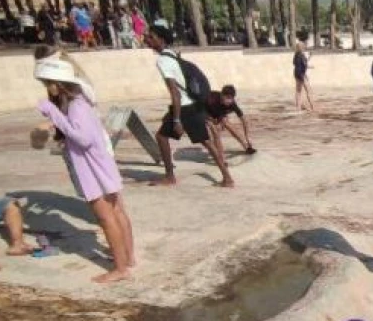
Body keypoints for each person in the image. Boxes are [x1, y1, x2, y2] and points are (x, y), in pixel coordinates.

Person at [33, 57, 135, 283]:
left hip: (92, 167)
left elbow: (83, 138)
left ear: (57, 84)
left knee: (107, 217)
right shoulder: (81, 99)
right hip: (101, 163)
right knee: (117, 211)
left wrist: (53, 112)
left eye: (47, 83)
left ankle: (120, 268)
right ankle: (128, 259)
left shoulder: (76, 105)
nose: (47, 88)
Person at [146, 24, 234, 188]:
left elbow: (175, 93)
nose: (147, 39)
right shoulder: (172, 55)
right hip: (193, 105)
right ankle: (227, 177)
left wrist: (177, 120)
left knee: (161, 137)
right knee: (206, 142)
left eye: (151, 37)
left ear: (161, 39)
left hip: (183, 108)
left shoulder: (163, 60)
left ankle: (170, 176)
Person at [204, 85, 256, 155]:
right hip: (205, 111)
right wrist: (211, 120)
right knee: (215, 130)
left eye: (231, 98)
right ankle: (220, 155)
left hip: (219, 112)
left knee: (226, 123)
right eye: (228, 98)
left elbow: (244, 120)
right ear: (222, 95)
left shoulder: (232, 104)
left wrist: (247, 137)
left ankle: (246, 147)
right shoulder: (212, 99)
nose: (229, 101)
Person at [293, 42, 314, 112]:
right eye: (304, 47)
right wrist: (311, 67)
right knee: (309, 91)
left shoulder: (296, 55)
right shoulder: (302, 55)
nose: (304, 48)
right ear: (302, 47)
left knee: (298, 92)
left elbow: (296, 64)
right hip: (301, 74)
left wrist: (310, 57)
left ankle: (298, 108)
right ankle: (313, 107)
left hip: (296, 74)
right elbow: (305, 64)